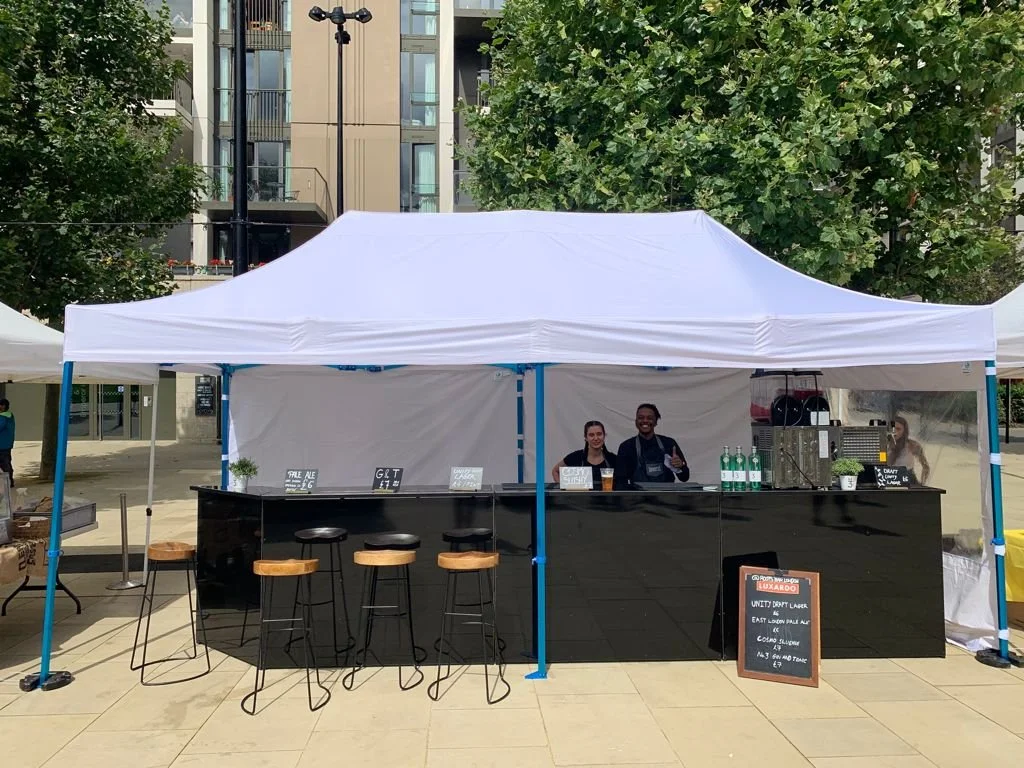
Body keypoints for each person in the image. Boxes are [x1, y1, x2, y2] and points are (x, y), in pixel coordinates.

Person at [614, 403, 689, 487]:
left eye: (650, 418)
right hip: (638, 498)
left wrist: (680, 466)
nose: (645, 421)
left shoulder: (669, 443)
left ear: (656, 422)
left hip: (667, 497)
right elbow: (620, 481)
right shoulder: (627, 447)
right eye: (640, 418)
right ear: (636, 422)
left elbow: (685, 477)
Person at [551, 420, 617, 486]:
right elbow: (555, 471)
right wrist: (562, 489)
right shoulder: (576, 457)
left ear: (604, 436)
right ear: (585, 438)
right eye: (591, 435)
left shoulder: (613, 459)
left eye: (599, 434)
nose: (596, 438)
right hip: (580, 496)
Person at [888, 415, 930, 485]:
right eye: (892, 428)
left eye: (898, 429)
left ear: (904, 431)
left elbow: (925, 466)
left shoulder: (912, 445)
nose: (894, 431)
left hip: (908, 482)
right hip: (888, 480)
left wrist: (922, 484)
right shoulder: (884, 445)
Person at [0, 398, 14, 489]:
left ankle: (8, 481)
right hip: (7, 444)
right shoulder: (10, 416)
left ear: (3, 406)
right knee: (6, 463)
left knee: (4, 464)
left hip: (2, 444)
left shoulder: (3, 417)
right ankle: (9, 480)